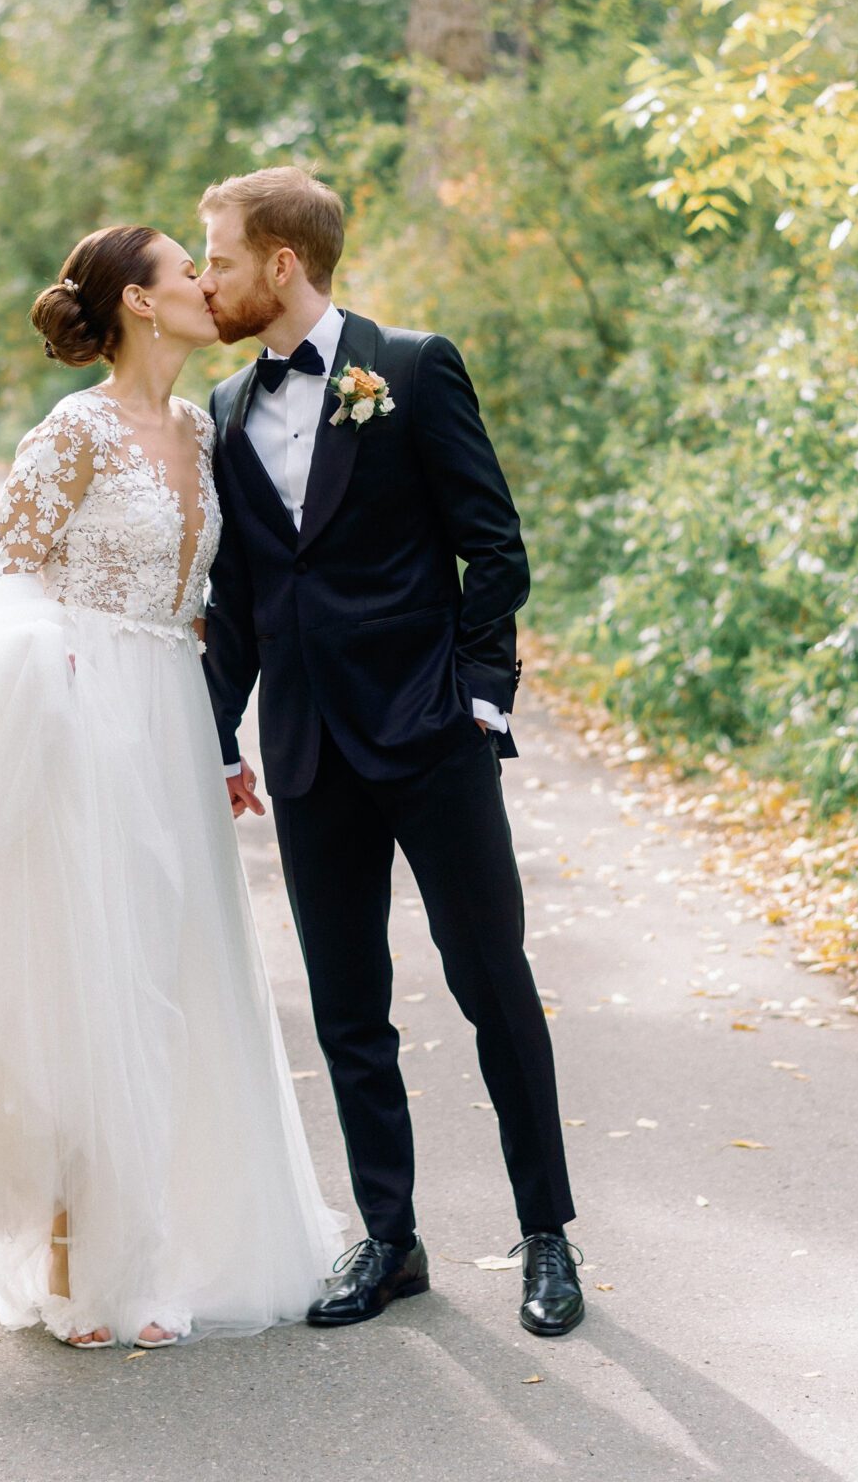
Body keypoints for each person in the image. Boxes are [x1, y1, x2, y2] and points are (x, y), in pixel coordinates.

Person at [0, 223, 342, 1349]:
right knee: (79, 981)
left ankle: (151, 1252)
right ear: (140, 304)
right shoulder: (70, 434)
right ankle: (69, 1262)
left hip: (170, 720)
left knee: (166, 977)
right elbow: (9, 581)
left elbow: (208, 606)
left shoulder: (201, 429)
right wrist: (41, 688)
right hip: (80, 712)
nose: (205, 283)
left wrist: (224, 743)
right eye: (183, 272)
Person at [197, 167, 583, 1339]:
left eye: (216, 256)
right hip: (307, 745)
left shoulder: (409, 368)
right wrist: (207, 730)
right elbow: (241, 595)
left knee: (489, 980)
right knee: (346, 1004)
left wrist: (478, 694)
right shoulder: (220, 407)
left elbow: (492, 546)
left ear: (280, 262)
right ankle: (390, 1236)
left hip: (429, 735)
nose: (203, 277)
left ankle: (547, 1235)